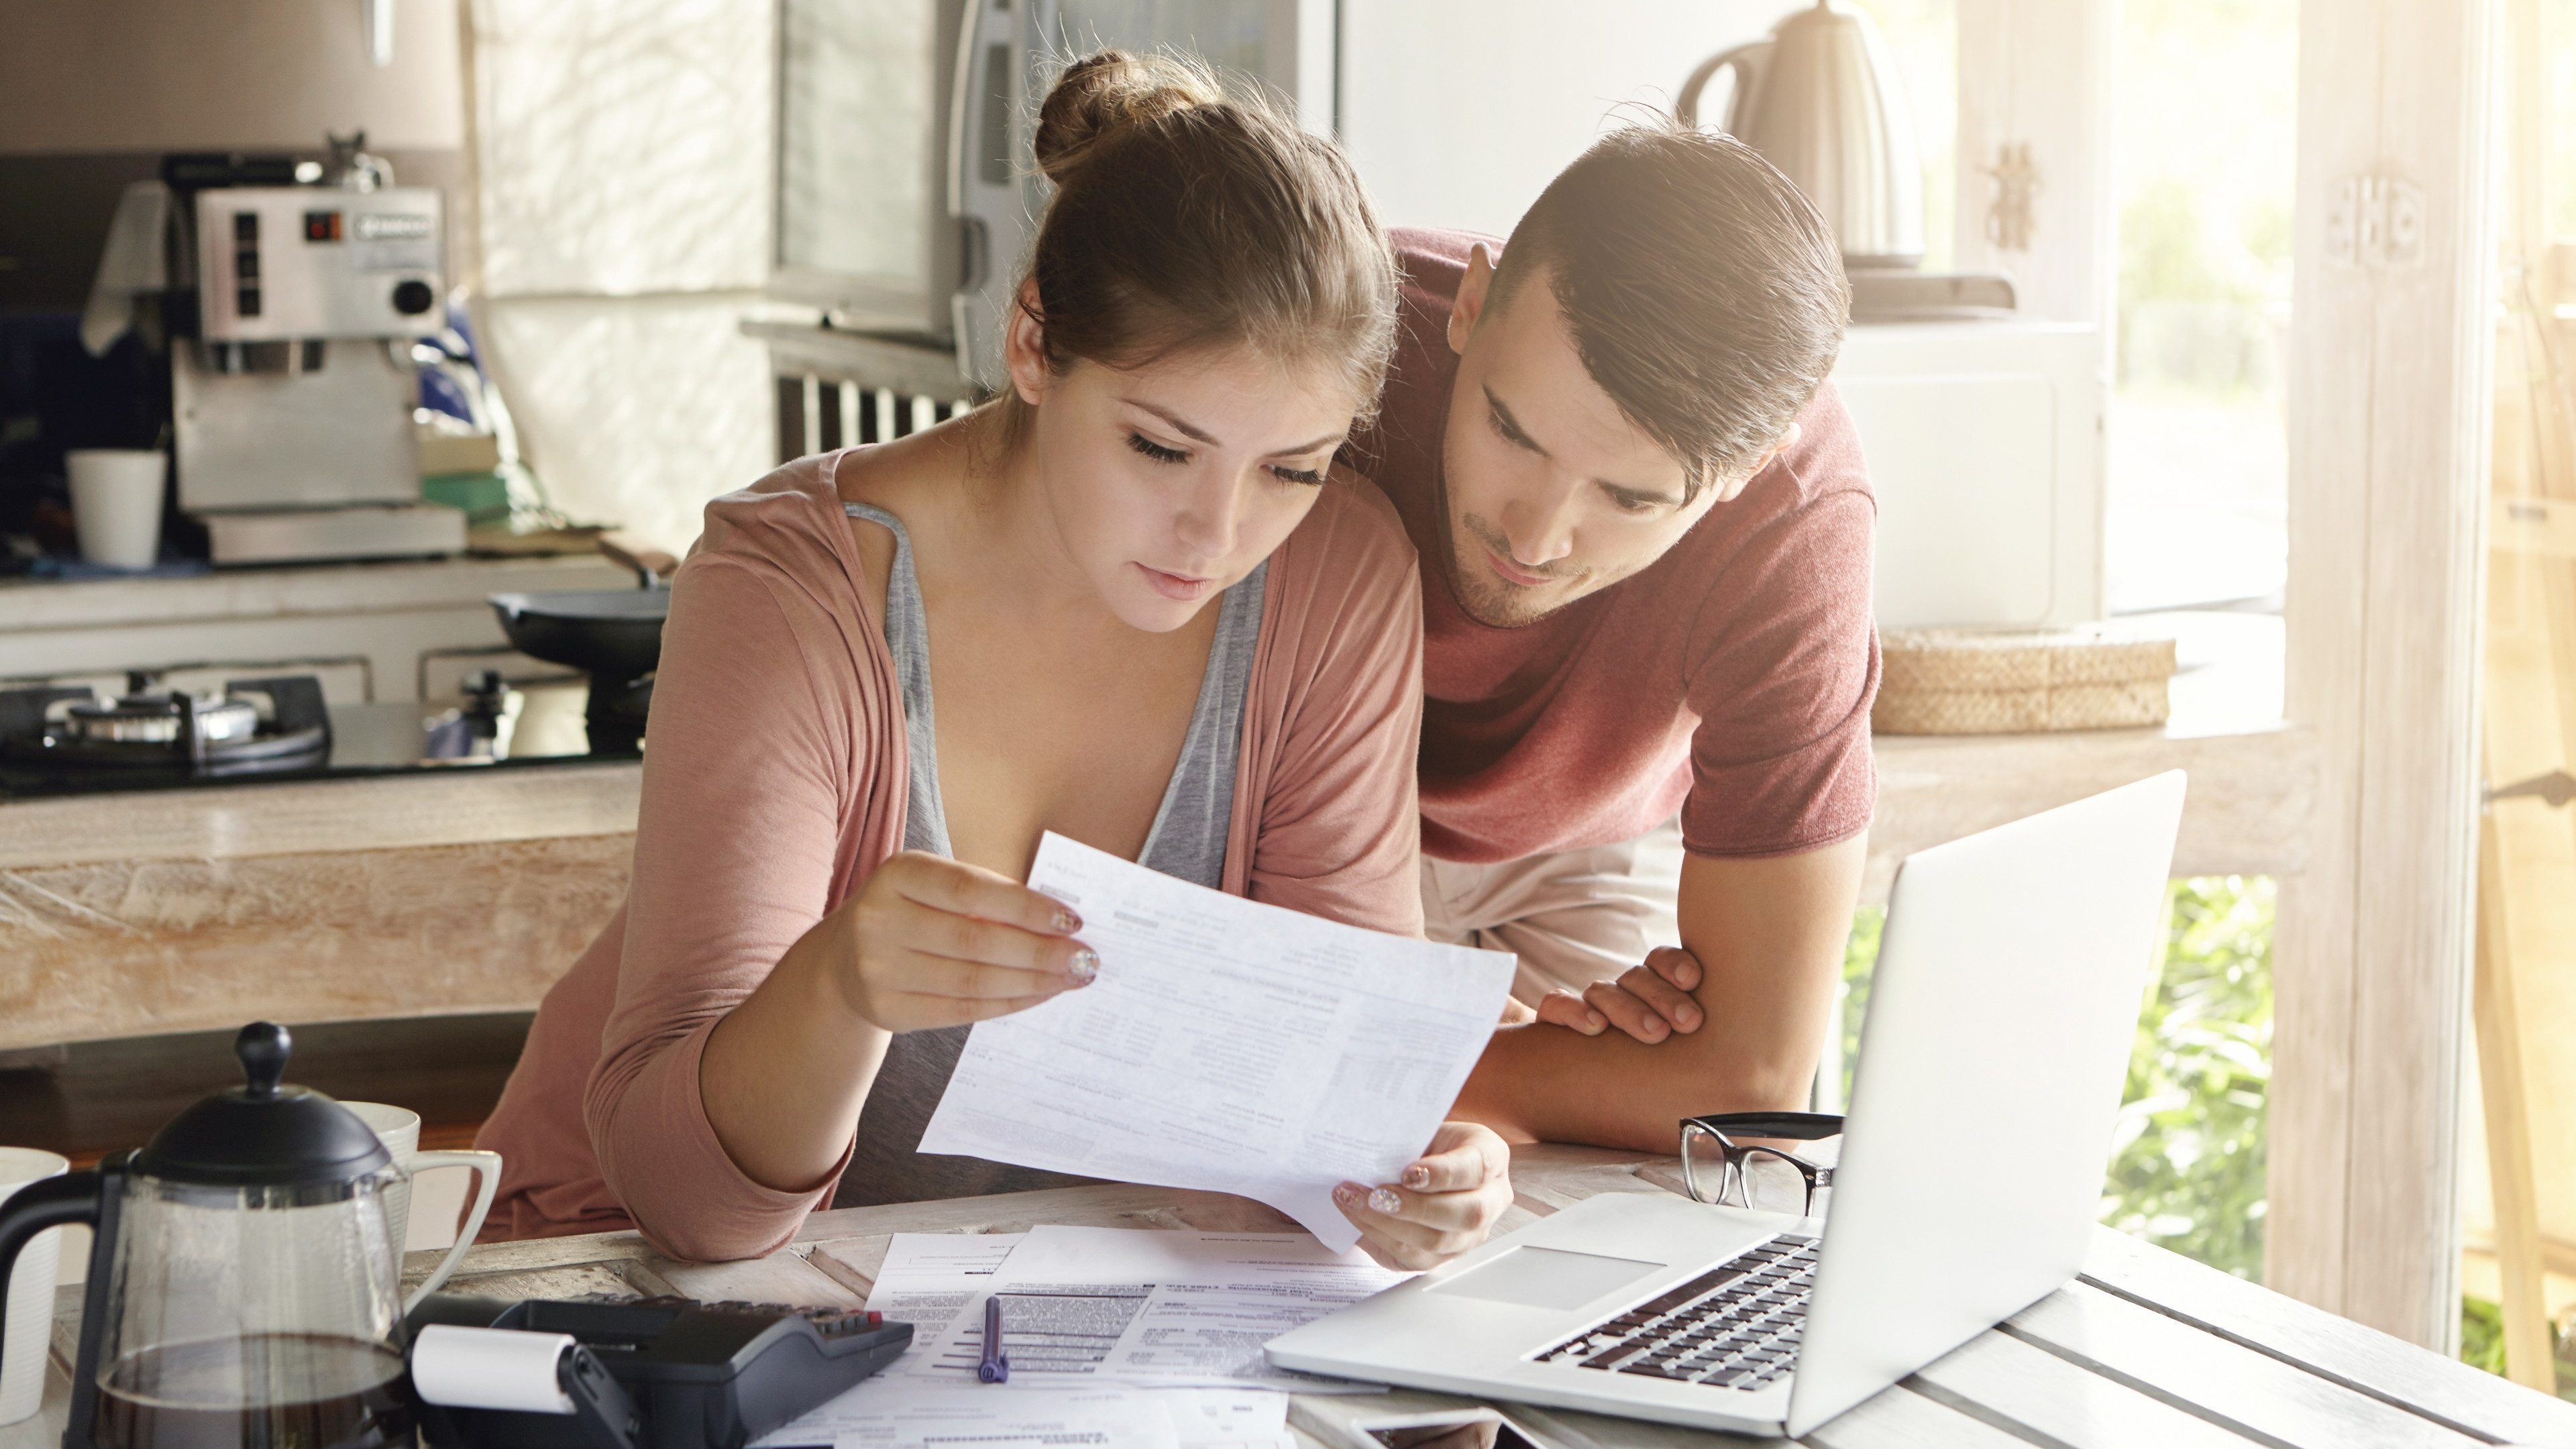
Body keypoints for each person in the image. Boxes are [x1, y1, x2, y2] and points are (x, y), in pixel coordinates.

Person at [476, 52, 1511, 1269]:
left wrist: (1414, 1173)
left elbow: (1309, 1116)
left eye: (1290, 467)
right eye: (1160, 448)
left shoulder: (1338, 574)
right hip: (633, 1283)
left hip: (1036, 1313)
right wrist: (837, 990)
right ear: (1032, 345)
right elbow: (691, 1213)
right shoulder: (789, 587)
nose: (1218, 535)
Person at [1342, 126, 1878, 1152]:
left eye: (1629, 497)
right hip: (1310, 820)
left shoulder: (1799, 523)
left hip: (1586, 844)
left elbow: (1751, 1086)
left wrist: (1396, 1058)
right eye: (1510, 430)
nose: (1533, 537)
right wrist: (1471, 1058)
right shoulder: (1339, 329)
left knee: (1634, 1208)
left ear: (1744, 471)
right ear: (1469, 305)